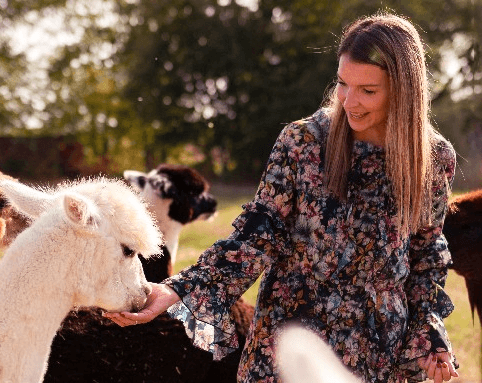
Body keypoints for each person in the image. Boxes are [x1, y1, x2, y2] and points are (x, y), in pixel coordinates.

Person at [105, 12, 460, 383]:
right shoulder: (303, 142)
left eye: (368, 90)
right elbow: (257, 235)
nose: (350, 101)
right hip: (288, 352)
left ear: (404, 91)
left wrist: (430, 338)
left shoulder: (433, 160)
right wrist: (178, 288)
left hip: (378, 356)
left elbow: (424, 258)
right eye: (342, 84)